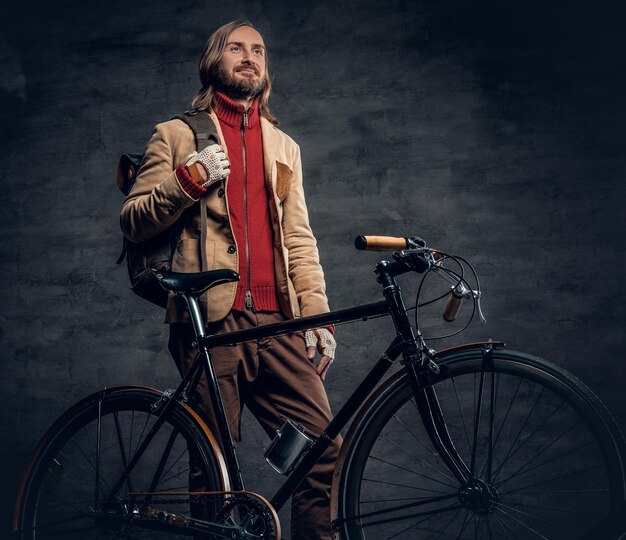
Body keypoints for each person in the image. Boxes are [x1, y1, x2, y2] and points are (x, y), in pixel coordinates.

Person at [120, 19, 340, 540]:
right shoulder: (175, 134)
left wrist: (317, 318)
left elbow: (300, 239)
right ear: (214, 61)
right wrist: (187, 181)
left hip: (278, 323)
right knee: (212, 463)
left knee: (321, 447)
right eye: (236, 48)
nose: (250, 57)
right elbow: (133, 218)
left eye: (258, 50)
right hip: (211, 319)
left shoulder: (284, 146)